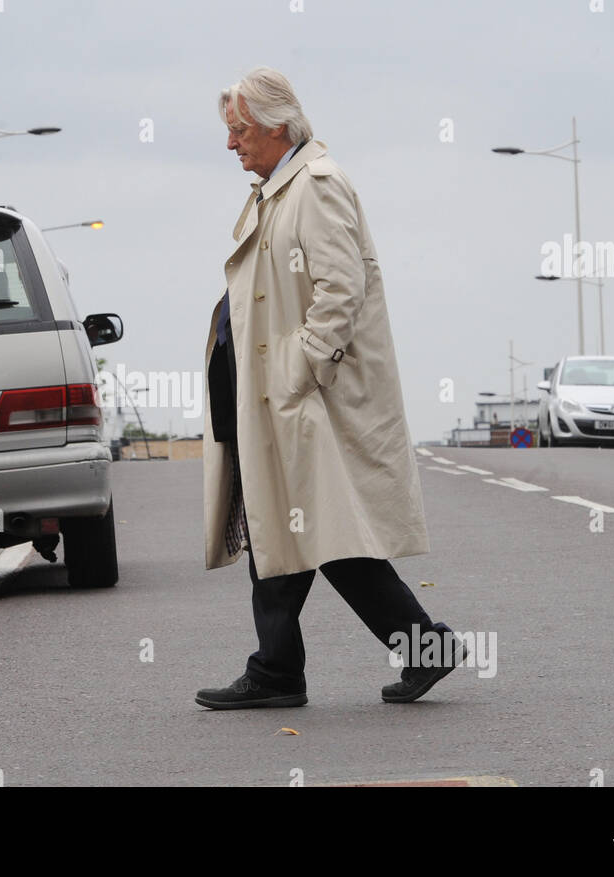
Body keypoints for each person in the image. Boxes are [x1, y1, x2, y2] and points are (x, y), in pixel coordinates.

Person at [196, 68, 464, 709]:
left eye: (239, 131)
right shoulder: (279, 189)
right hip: (274, 399)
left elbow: (341, 288)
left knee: (318, 533)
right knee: (284, 529)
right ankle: (283, 669)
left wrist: (300, 371)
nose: (231, 144)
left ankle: (292, 669)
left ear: (278, 125)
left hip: (301, 400)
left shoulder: (314, 186)